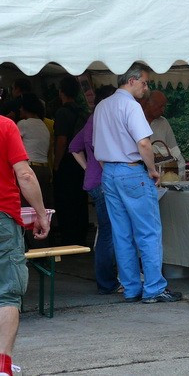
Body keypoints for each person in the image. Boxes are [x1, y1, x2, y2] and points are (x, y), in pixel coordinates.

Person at [93, 64, 181, 304]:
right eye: (144, 82)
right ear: (131, 81)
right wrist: (152, 170)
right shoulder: (130, 105)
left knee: (121, 234)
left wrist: (110, 169)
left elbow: (96, 146)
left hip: (109, 172)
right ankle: (153, 288)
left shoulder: (102, 106)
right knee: (148, 232)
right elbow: (144, 143)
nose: (146, 87)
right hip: (131, 170)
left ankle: (131, 288)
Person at [0, 116, 50, 376]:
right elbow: (25, 174)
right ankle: (2, 366)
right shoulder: (5, 126)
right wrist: (41, 213)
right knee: (7, 292)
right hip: (2, 218)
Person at [69, 85, 120, 295]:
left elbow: (74, 147)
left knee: (105, 232)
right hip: (105, 183)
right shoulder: (103, 120)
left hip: (94, 182)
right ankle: (107, 282)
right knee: (110, 233)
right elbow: (102, 154)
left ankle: (108, 279)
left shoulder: (92, 119)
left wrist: (87, 168)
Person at [53, 76, 89, 246]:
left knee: (66, 200)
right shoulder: (82, 111)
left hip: (67, 161)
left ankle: (69, 237)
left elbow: (61, 140)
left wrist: (56, 163)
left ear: (61, 92)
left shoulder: (62, 112)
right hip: (82, 161)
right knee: (80, 199)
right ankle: (81, 235)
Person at [17, 94, 54, 247]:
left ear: (25, 109)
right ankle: (44, 244)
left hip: (30, 169)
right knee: (42, 208)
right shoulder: (43, 125)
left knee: (28, 210)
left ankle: (32, 246)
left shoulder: (23, 124)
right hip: (45, 170)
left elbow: (13, 146)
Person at [139, 90, 186, 177]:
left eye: (164, 107)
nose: (163, 110)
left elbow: (175, 150)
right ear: (148, 103)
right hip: (139, 172)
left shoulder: (163, 122)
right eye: (160, 106)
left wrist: (181, 174)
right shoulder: (136, 120)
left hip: (161, 174)